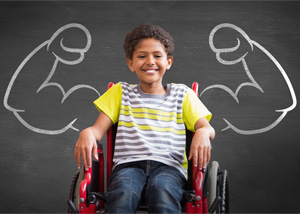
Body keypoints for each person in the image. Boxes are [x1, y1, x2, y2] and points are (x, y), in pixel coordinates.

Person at [74, 24, 215, 213]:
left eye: (157, 56)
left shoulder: (182, 94)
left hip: (169, 167)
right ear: (131, 63)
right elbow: (97, 131)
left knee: (162, 190)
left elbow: (207, 128)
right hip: (128, 166)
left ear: (169, 62)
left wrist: (203, 132)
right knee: (123, 193)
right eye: (142, 56)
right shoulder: (121, 92)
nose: (150, 61)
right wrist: (86, 132)